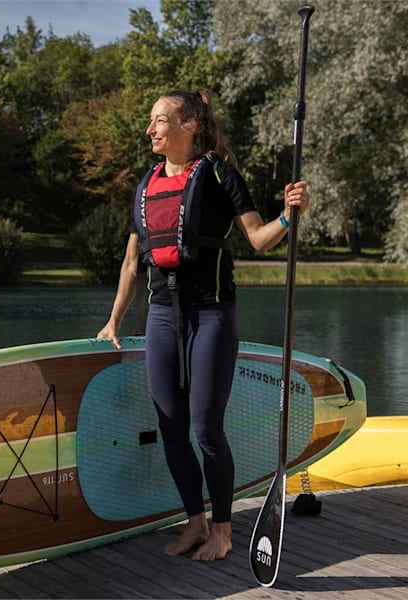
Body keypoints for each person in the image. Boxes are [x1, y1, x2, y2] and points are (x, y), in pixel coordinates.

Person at [96, 89, 310, 562]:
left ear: (189, 125)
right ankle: (194, 521)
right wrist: (113, 321)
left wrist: (287, 216)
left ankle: (223, 529)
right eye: (151, 121)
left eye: (160, 120)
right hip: (160, 316)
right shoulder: (146, 185)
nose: (151, 129)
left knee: (206, 429)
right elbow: (132, 262)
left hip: (211, 313)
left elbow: (259, 239)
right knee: (170, 427)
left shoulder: (218, 174)